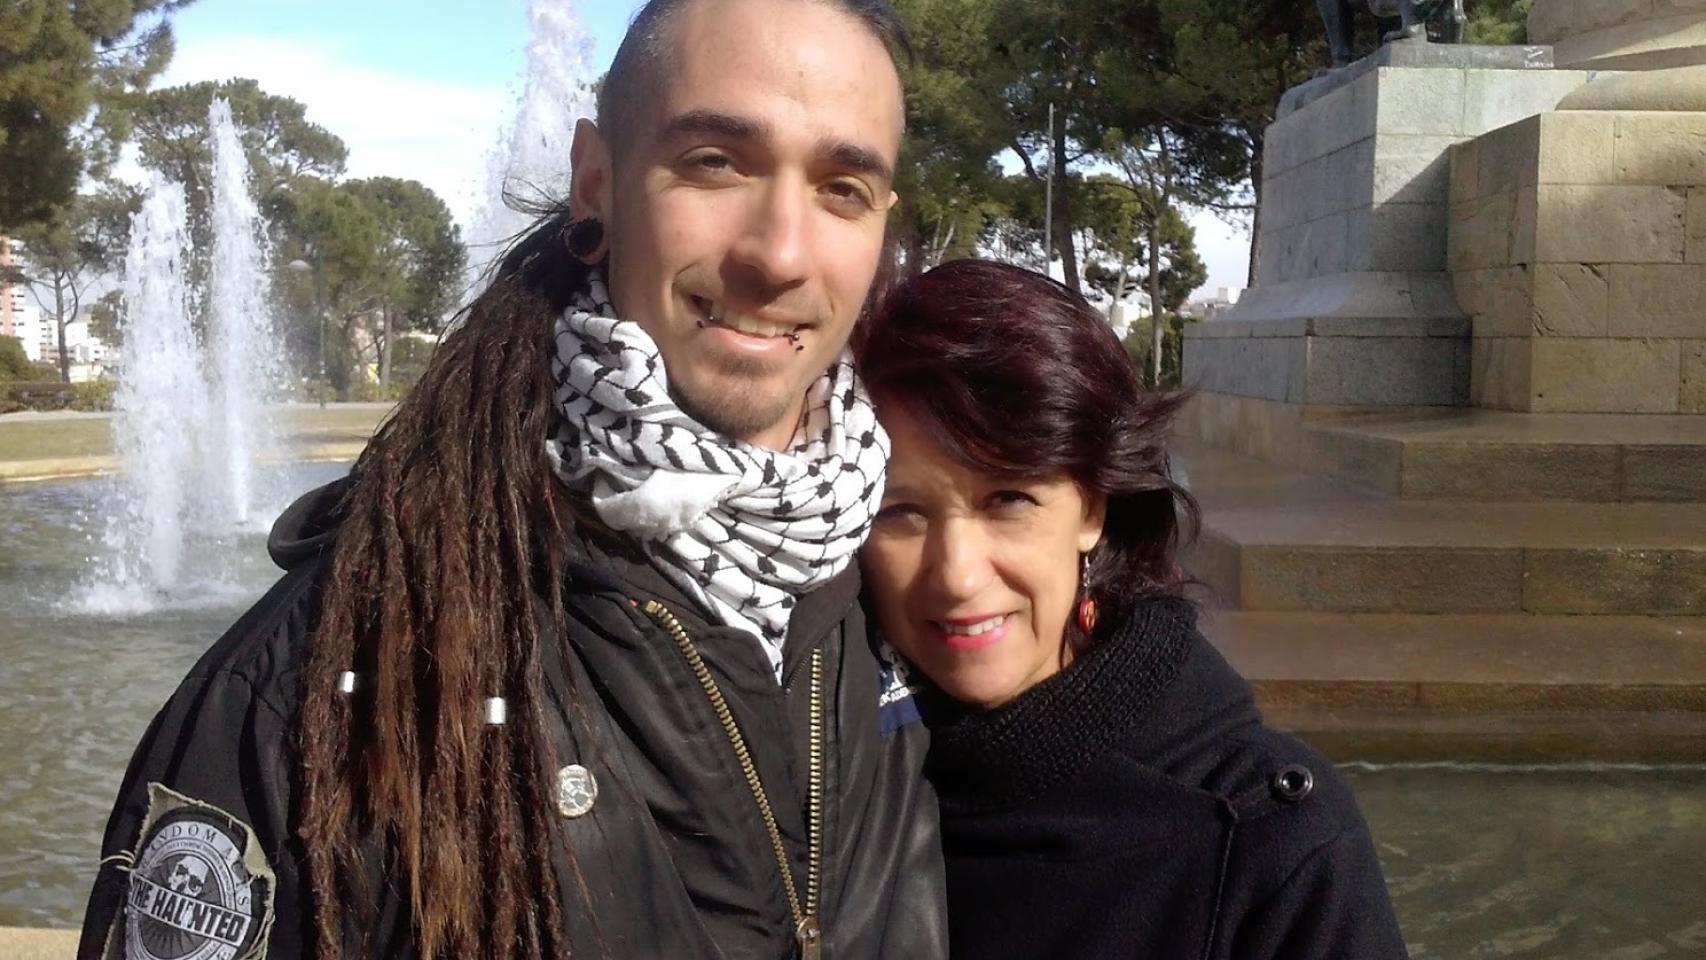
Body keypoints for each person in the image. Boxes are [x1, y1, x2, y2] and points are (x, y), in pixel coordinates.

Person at [78, 2, 949, 958]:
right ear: (595, 182)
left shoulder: (914, 593)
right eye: (715, 162)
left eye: (842, 188)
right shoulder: (321, 677)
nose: (779, 254)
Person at [855, 259, 1408, 959]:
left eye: (1009, 500)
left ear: (1093, 508)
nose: (958, 575)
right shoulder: (812, 789)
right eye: (900, 511)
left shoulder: (1275, 840)